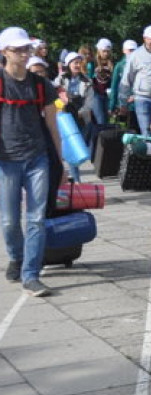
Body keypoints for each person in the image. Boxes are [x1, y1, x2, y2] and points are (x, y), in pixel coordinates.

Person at [1, 27, 64, 297]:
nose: (25, 53)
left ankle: (31, 274)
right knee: (9, 221)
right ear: (4, 52)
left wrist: (61, 164)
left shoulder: (41, 84)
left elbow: (53, 125)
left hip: (37, 157)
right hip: (6, 160)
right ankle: (16, 256)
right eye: (18, 49)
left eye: (27, 48)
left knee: (36, 219)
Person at [54, 51, 94, 183]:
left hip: (80, 116)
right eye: (75, 62)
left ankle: (74, 177)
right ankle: (75, 179)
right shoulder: (60, 79)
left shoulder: (87, 81)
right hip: (65, 115)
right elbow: (54, 96)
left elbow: (90, 101)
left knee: (77, 146)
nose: (77, 65)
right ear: (69, 64)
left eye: (79, 62)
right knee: (71, 146)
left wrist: (82, 111)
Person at [120, 26, 151, 137]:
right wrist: (123, 102)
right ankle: (149, 153)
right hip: (142, 98)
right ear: (144, 38)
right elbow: (127, 79)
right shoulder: (135, 55)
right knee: (147, 132)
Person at [90, 38, 115, 144]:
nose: (106, 53)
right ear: (99, 51)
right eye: (104, 51)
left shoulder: (112, 63)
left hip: (107, 94)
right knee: (100, 120)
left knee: (107, 120)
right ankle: (99, 145)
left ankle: (104, 145)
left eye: (108, 51)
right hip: (96, 94)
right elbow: (88, 78)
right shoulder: (93, 63)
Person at [111, 40, 138, 129]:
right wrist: (112, 105)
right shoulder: (119, 66)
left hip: (137, 103)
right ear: (124, 50)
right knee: (122, 127)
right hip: (122, 103)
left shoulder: (140, 64)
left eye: (133, 50)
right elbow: (114, 86)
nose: (131, 52)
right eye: (129, 50)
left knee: (136, 128)